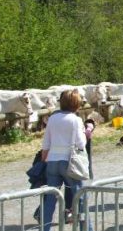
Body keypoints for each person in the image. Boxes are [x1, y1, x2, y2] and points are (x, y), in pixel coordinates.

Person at [40, 90, 92, 231]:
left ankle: (44, 228)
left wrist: (43, 159)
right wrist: (87, 131)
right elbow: (81, 144)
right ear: (76, 104)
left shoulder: (52, 118)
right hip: (69, 162)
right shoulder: (76, 120)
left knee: (50, 199)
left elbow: (46, 143)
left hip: (52, 161)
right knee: (80, 198)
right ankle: (87, 228)